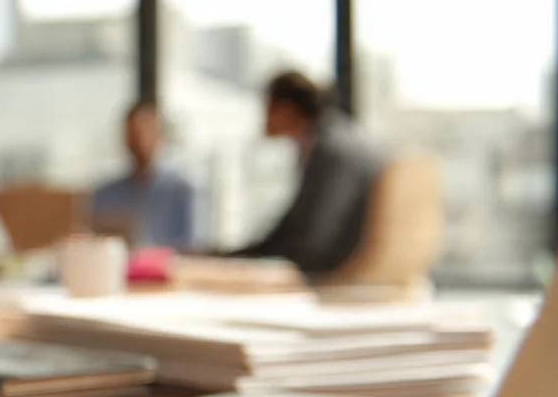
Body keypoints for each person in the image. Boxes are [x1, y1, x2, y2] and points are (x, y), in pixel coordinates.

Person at [230, 71, 385, 276]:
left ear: (287, 109)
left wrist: (247, 262)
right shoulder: (334, 138)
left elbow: (313, 238)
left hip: (333, 272)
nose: (262, 119)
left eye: (268, 108)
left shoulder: (332, 151)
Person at [91, 101, 198, 249]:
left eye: (146, 131)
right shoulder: (104, 194)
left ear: (160, 135)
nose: (140, 140)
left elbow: (193, 245)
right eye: (133, 133)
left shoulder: (181, 190)